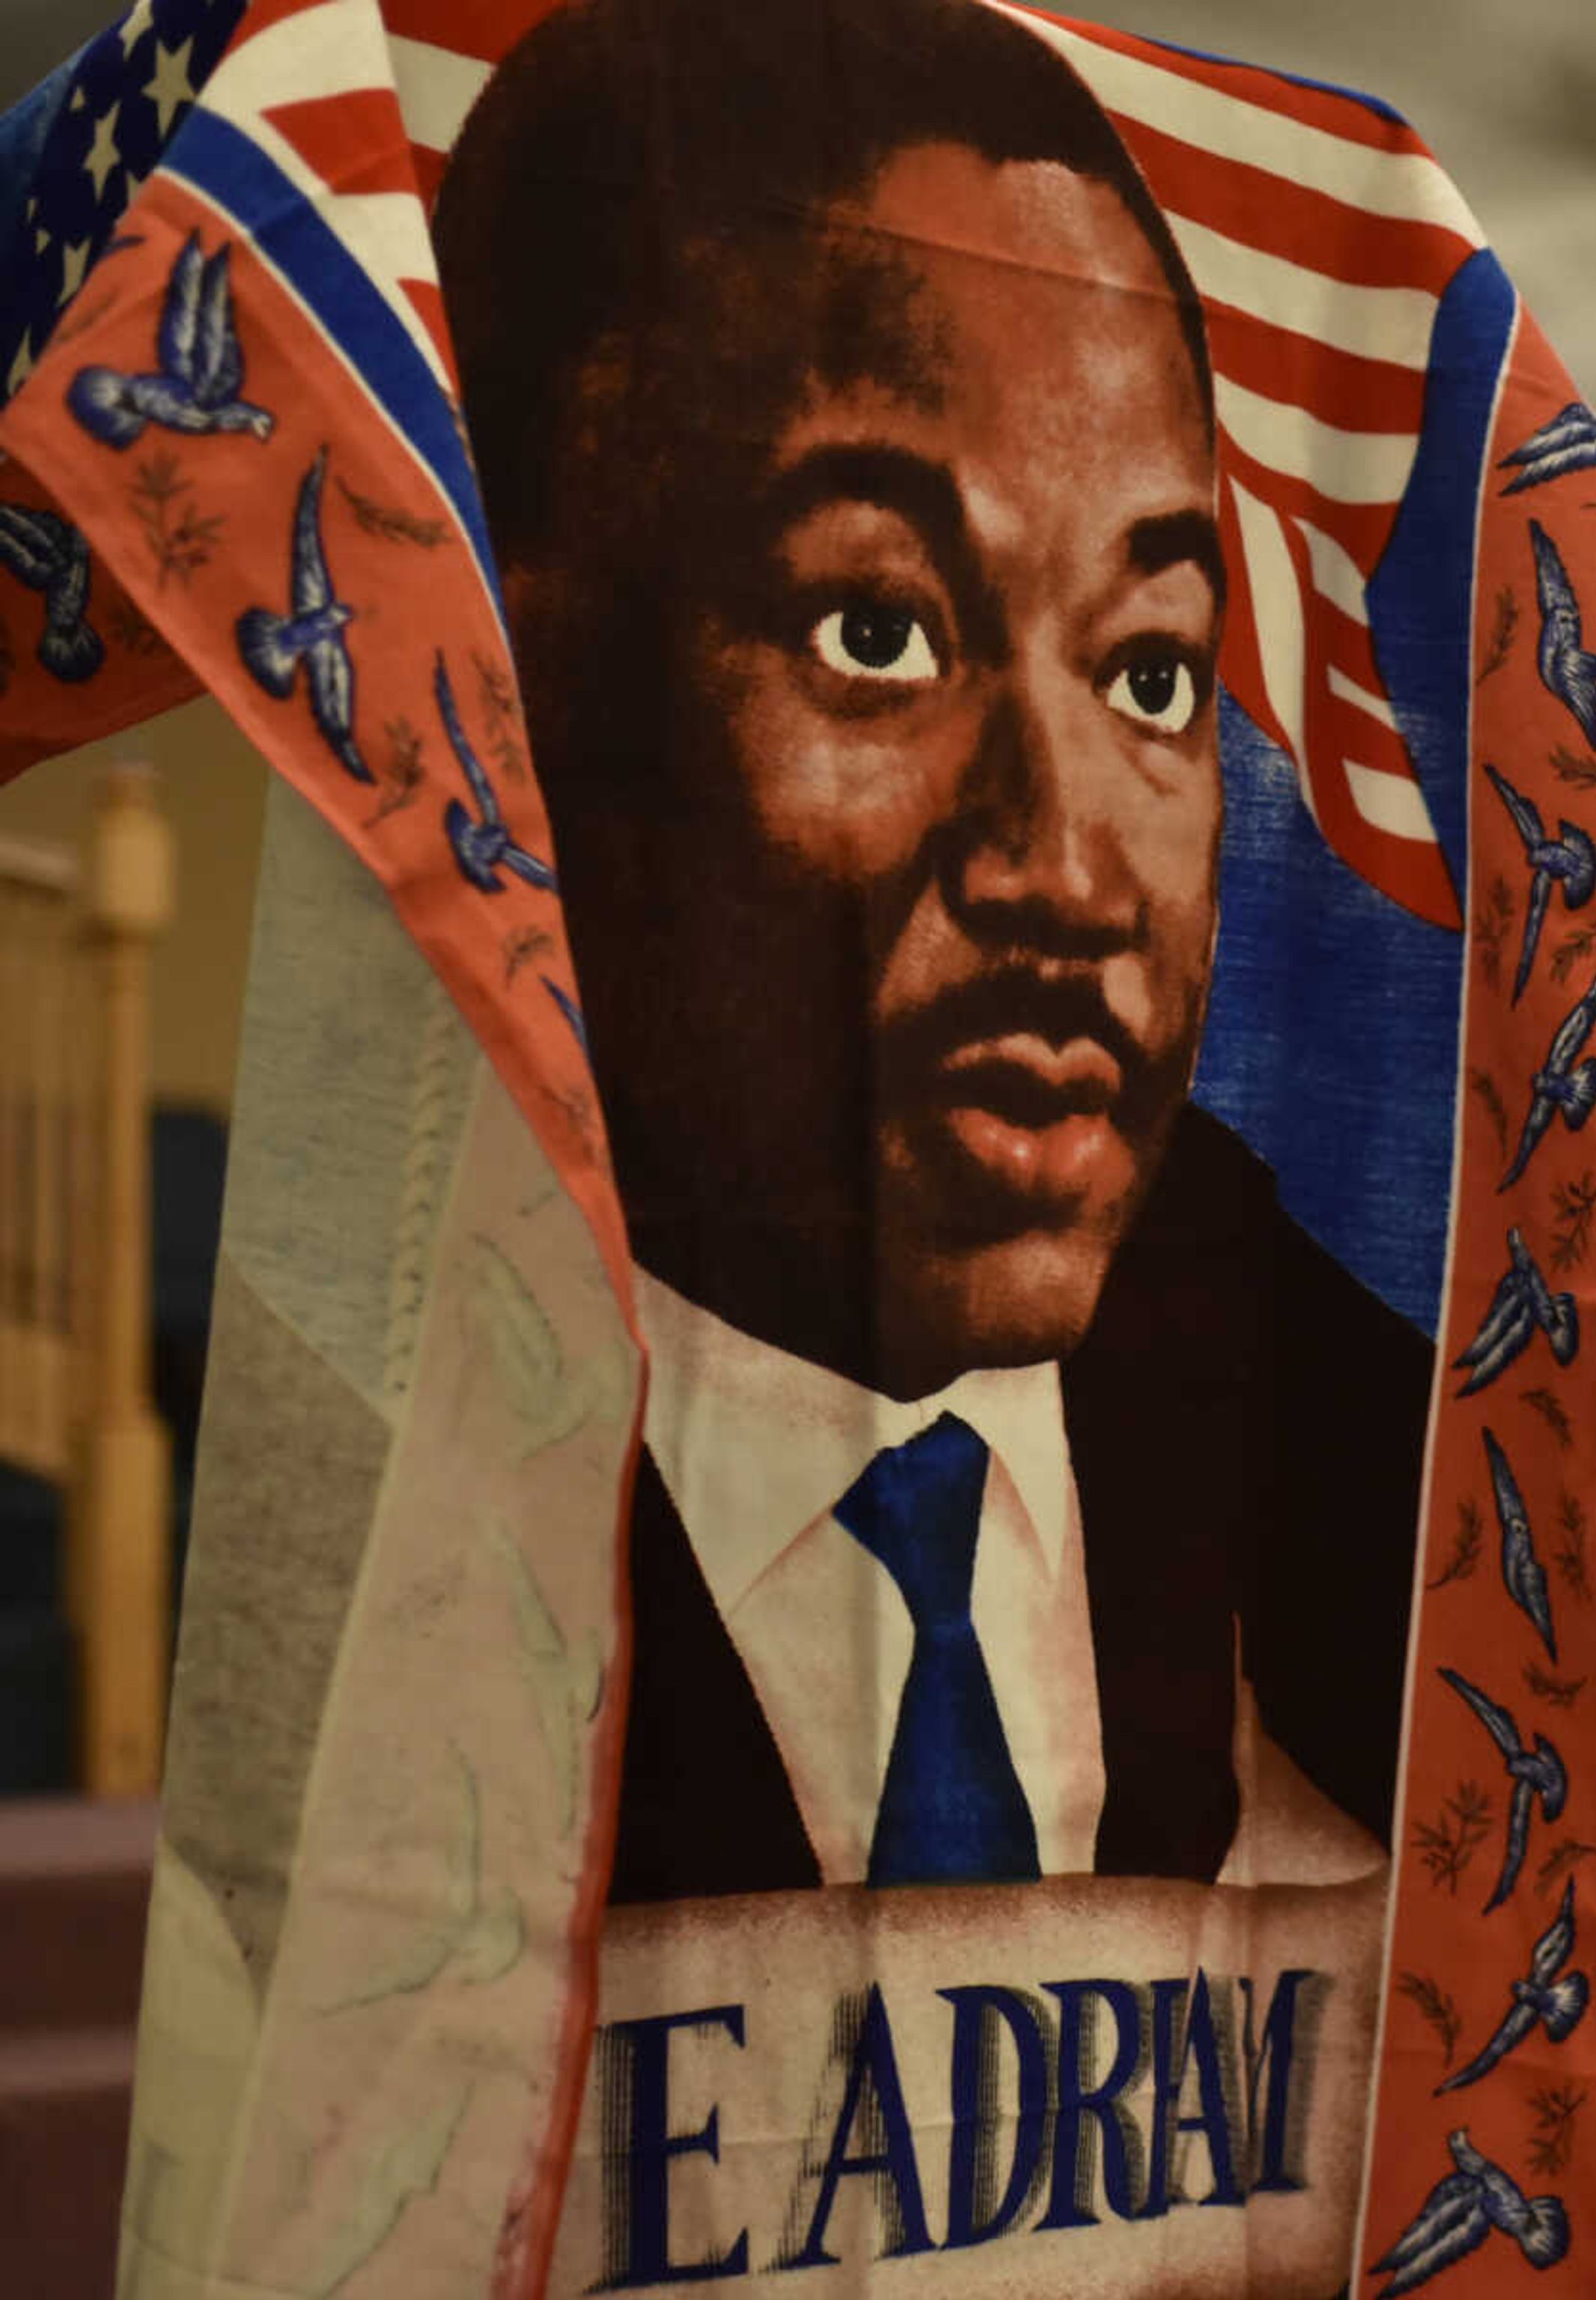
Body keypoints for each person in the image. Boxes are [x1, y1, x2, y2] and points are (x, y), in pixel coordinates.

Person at [433, 0, 1431, 1904]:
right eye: (873, 634)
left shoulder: (1349, 1442)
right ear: (539, 684)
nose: (1064, 867)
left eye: (1152, 671)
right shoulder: (421, 1452)